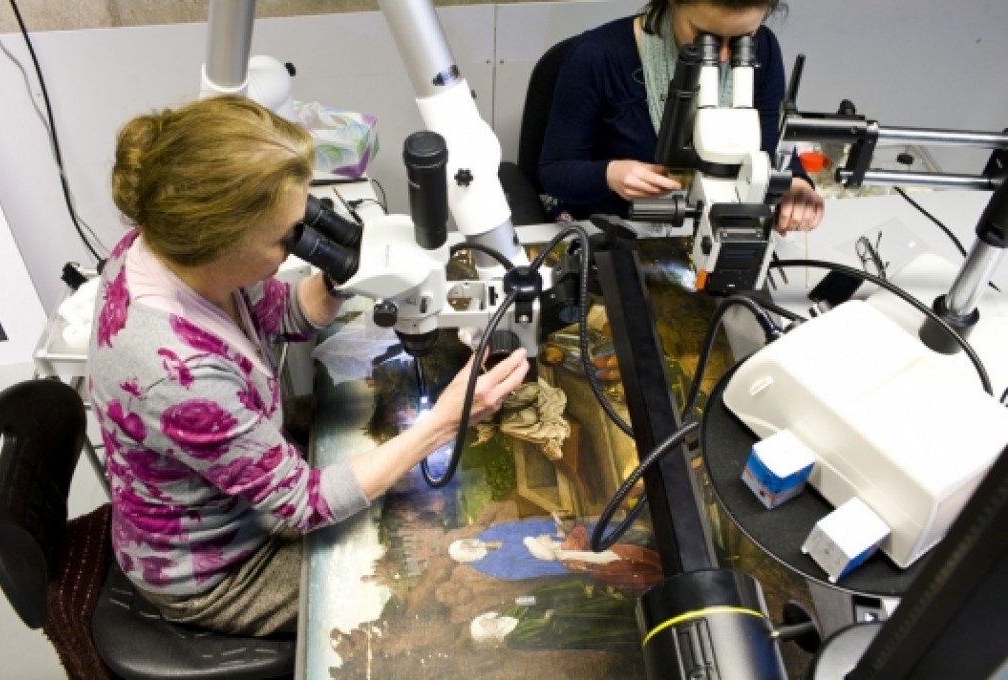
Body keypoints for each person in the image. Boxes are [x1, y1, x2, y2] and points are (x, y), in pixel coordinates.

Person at [88, 94, 530, 636]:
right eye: (285, 236)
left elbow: (285, 313)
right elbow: (305, 504)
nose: (300, 243)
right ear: (219, 242)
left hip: (244, 486)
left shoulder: (164, 248)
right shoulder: (176, 373)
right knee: (431, 584)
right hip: (222, 571)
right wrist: (444, 422)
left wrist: (354, 268)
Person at [537, 0, 825, 235]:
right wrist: (610, 175)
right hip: (614, 228)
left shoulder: (765, 49)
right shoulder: (596, 56)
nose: (724, 57)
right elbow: (554, 171)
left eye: (742, 39)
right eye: (705, 36)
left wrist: (795, 185)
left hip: (716, 225)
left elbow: (767, 149)